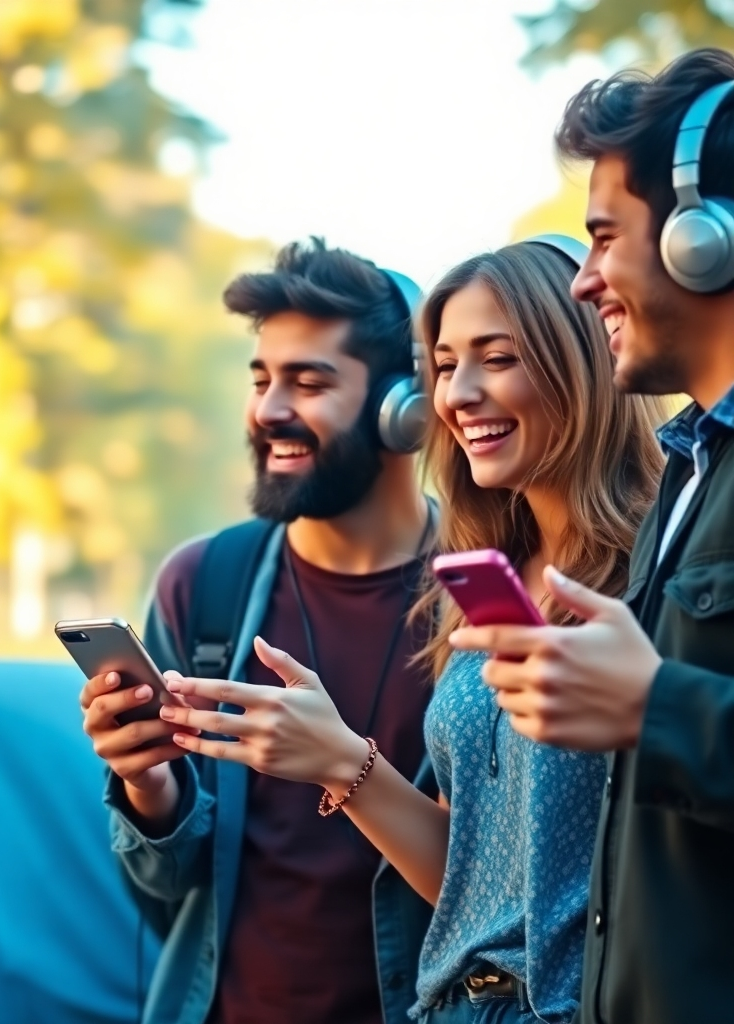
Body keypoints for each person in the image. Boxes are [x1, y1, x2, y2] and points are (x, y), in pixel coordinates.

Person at [161, 239, 666, 1024]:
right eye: (445, 366)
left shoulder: (658, 576)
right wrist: (339, 760)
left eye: (495, 358)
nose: (459, 395)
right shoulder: (482, 579)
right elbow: (472, 884)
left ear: (582, 365)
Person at [80, 239, 438, 1024]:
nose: (270, 408)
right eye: (261, 378)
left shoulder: (473, 595)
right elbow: (171, 886)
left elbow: (503, 880)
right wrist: (149, 785)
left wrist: (347, 768)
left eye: (308, 382)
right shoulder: (202, 585)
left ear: (404, 409)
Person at [446, 49, 734, 1024]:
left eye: (606, 237)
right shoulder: (693, 483)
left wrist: (655, 705)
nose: (586, 280)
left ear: (705, 237)